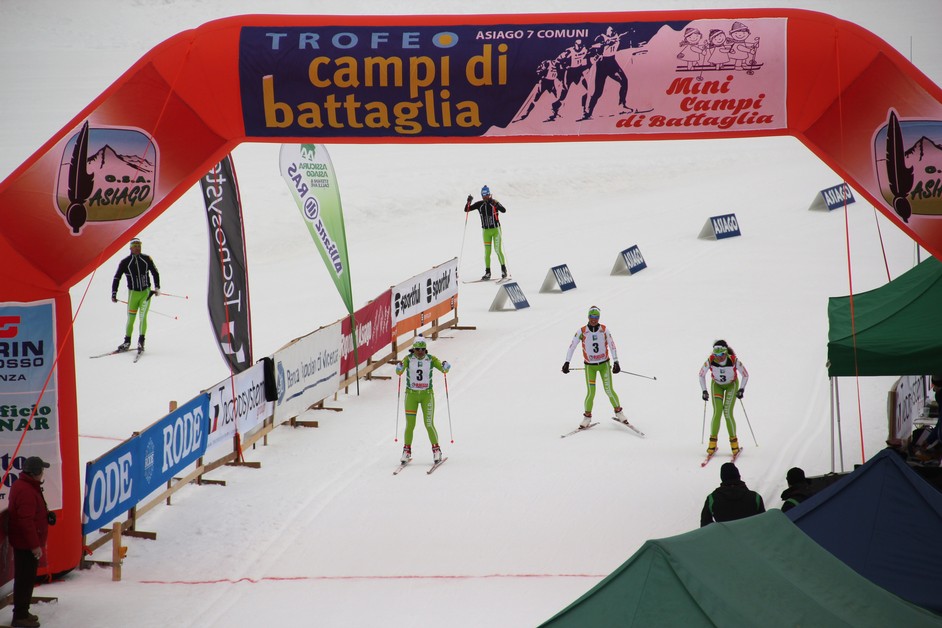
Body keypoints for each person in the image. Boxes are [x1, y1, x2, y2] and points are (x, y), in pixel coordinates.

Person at [561, 305, 627, 428]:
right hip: (589, 367)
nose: (593, 319)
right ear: (588, 317)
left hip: (604, 365)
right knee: (591, 392)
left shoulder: (604, 330)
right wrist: (567, 362)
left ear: (599, 318)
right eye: (591, 317)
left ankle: (619, 412)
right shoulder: (581, 331)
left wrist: (616, 362)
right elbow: (572, 346)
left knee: (609, 390)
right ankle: (587, 417)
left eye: (596, 317)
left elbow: (612, 345)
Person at [8, 456, 54, 628]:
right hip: (25, 544)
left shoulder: (27, 486)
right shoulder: (26, 490)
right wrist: (35, 545)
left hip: (25, 541)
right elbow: (25, 521)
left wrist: (46, 515)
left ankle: (23, 612)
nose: (43, 473)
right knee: (24, 580)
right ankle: (20, 616)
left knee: (26, 578)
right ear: (35, 473)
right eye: (41, 470)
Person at [395, 336, 451, 463]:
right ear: (413, 349)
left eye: (422, 349)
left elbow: (444, 369)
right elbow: (399, 372)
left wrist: (446, 366)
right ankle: (406, 451)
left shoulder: (431, 359)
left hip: (427, 395)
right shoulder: (408, 359)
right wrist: (398, 367)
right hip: (411, 395)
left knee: (429, 423)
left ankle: (436, 450)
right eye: (417, 349)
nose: (420, 352)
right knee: (410, 425)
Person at [699, 339, 749, 457]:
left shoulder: (733, 360)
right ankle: (712, 443)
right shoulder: (710, 360)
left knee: (727, 413)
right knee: (717, 412)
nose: (719, 358)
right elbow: (701, 375)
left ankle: (734, 444)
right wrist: (704, 390)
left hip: (732, 385)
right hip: (717, 385)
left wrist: (741, 389)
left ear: (726, 353)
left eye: (721, 355)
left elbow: (745, 375)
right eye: (716, 355)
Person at [111, 237, 160, 352]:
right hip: (133, 294)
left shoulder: (146, 259)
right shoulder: (125, 262)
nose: (138, 248)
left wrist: (157, 287)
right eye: (135, 246)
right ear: (131, 248)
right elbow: (117, 277)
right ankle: (127, 342)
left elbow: (155, 272)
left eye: (139, 246)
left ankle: (141, 341)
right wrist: (114, 293)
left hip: (145, 294)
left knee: (143, 318)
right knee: (131, 319)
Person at [581, 26, 630, 121]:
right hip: (602, 64)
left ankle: (622, 105)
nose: (612, 31)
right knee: (598, 91)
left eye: (613, 30)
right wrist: (604, 43)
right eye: (610, 30)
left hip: (612, 62)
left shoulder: (617, 35)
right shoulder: (601, 37)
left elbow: (625, 33)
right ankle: (589, 112)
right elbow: (593, 45)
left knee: (624, 81)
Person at [700, 462, 765, 526]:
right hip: (752, 532)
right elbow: (765, 522)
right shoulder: (755, 497)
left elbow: (705, 525)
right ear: (738, 476)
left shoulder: (712, 499)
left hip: (724, 533)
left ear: (722, 478)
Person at [464, 186, 508, 280]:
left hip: (496, 230)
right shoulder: (479, 204)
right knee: (487, 252)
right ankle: (488, 272)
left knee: (497, 250)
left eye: (486, 195)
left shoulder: (494, 202)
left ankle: (504, 270)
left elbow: (503, 210)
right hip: (486, 232)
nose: (485, 197)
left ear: (489, 194)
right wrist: (468, 202)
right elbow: (466, 209)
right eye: (483, 195)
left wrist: (496, 204)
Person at [548, 38, 592, 121]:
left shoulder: (585, 49)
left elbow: (590, 53)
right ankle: (555, 107)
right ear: (575, 45)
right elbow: (557, 60)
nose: (580, 47)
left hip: (578, 72)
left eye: (581, 45)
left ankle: (584, 111)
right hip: (569, 73)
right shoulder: (569, 51)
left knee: (586, 90)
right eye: (578, 45)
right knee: (564, 94)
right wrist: (562, 67)